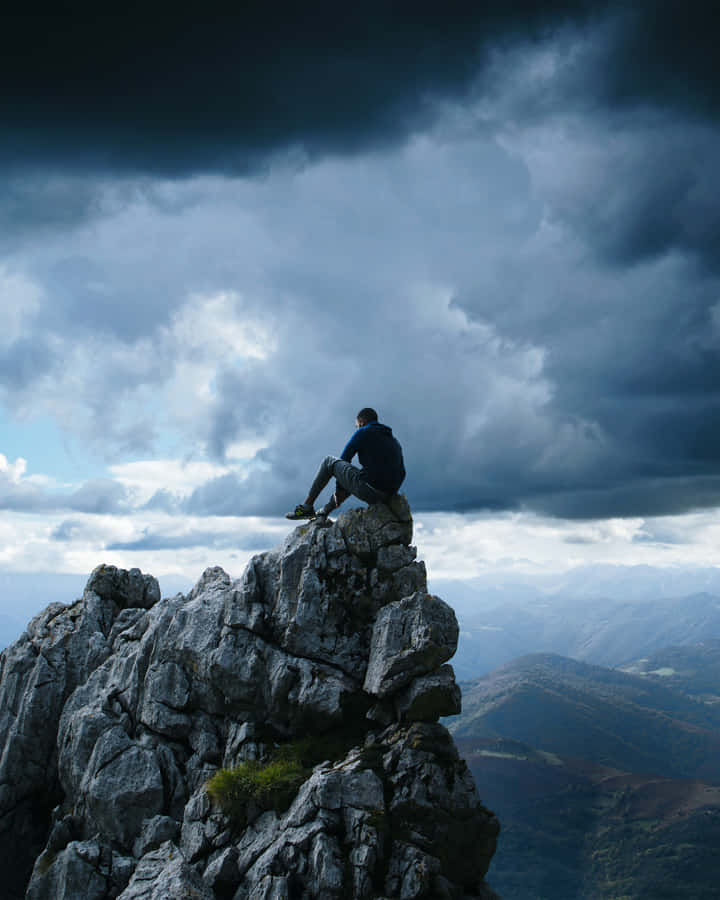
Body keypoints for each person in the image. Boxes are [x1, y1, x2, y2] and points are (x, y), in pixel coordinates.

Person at [286, 407, 405, 520]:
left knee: (329, 461)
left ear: (361, 422)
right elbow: (402, 472)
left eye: (357, 425)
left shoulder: (363, 431)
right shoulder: (394, 441)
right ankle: (324, 511)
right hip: (388, 495)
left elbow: (345, 458)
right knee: (357, 476)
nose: (357, 428)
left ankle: (307, 507)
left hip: (371, 492)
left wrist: (339, 490)